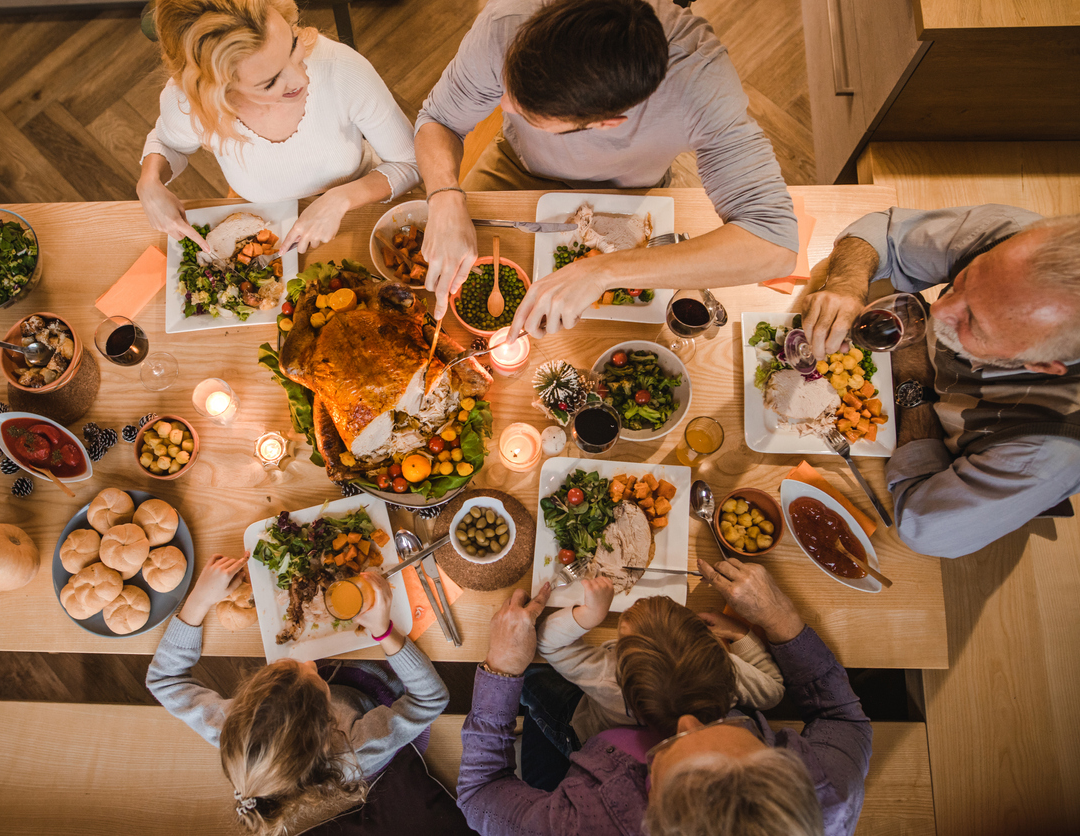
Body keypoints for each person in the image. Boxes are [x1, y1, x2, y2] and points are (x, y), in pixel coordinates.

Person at [412, 0, 798, 326]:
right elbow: (441, 120)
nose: (503, 105)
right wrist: (445, 195)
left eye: (529, 114)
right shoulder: (508, 22)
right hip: (518, 167)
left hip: (633, 189)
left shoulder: (699, 83)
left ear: (605, 122)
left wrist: (603, 271)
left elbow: (773, 243)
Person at [800, 206, 1080, 557]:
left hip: (943, 461)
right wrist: (846, 284)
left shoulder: (1042, 455)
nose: (938, 310)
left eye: (974, 323)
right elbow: (882, 232)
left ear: (1041, 363)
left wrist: (912, 382)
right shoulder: (1016, 241)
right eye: (965, 280)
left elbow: (923, 529)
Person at [147, 554, 449, 834]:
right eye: (312, 674)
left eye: (284, 668)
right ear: (329, 721)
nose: (307, 661)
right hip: (385, 708)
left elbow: (163, 679)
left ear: (244, 705)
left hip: (343, 685)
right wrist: (383, 631)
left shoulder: (239, 733)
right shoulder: (359, 749)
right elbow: (431, 699)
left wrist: (199, 600)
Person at [139, 0, 420, 255]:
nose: (301, 78)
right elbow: (167, 142)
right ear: (219, 94)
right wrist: (149, 181)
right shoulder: (189, 104)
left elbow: (410, 163)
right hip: (264, 222)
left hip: (361, 206)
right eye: (271, 82)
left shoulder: (342, 69)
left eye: (293, 46)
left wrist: (340, 198)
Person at [644, 558, 872, 836]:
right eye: (729, 728)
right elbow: (842, 720)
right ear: (786, 764)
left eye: (667, 749)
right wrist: (779, 617)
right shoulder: (832, 792)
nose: (686, 722)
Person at [521, 576, 783, 789]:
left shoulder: (610, 678)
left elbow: (547, 644)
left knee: (530, 677)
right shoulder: (723, 674)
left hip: (582, 735)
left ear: (620, 662)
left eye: (623, 633)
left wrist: (590, 615)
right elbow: (773, 691)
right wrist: (739, 633)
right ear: (711, 642)